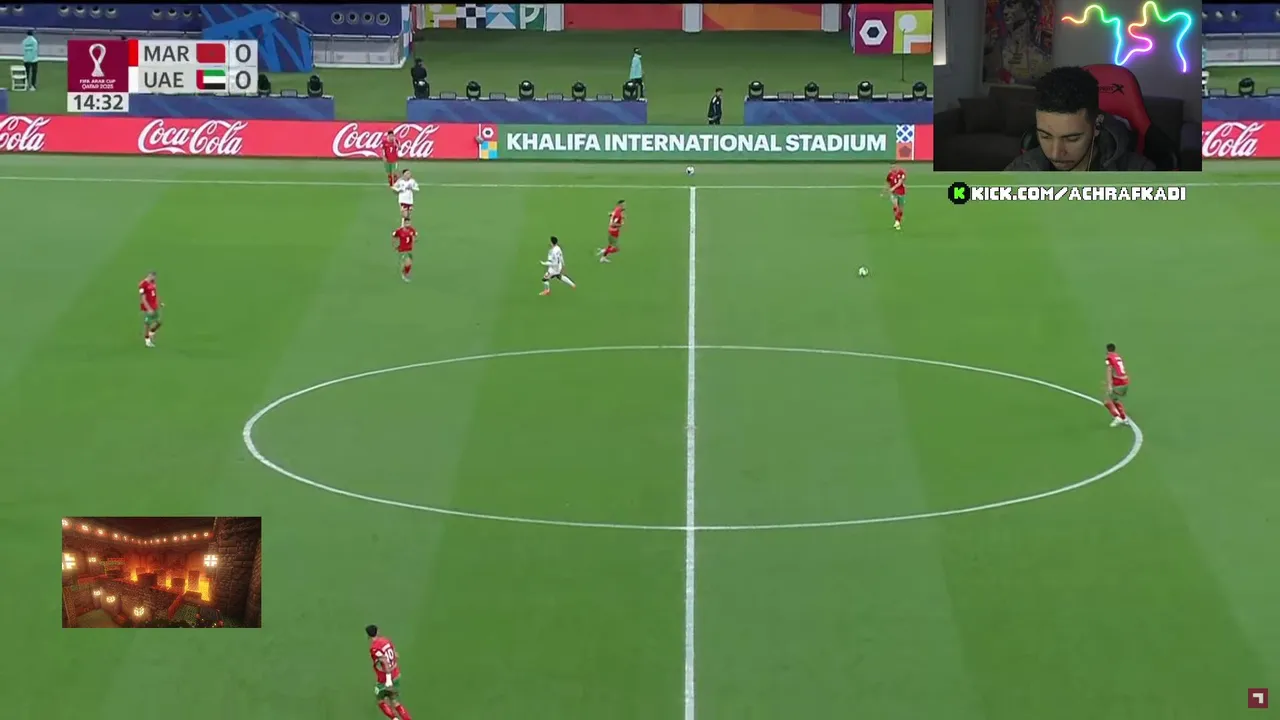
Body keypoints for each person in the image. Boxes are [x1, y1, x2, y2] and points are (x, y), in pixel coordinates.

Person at [1004, 66, 1156, 172]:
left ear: (1097, 125)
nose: (1055, 154)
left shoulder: (1139, 175)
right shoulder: (1020, 171)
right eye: (1045, 136)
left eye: (1072, 139)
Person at [367, 625, 412, 720]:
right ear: (378, 631)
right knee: (395, 702)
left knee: (380, 701)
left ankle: (394, 719)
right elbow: (396, 655)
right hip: (396, 675)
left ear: (368, 635)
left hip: (384, 680)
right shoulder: (386, 640)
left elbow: (384, 661)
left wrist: (388, 679)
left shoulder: (374, 648)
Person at [1103, 343, 1131, 427]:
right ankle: (1123, 418)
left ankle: (1118, 418)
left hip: (1119, 383)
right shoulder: (1118, 357)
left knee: (1107, 401)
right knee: (1114, 400)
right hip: (1125, 381)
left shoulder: (1109, 358)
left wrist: (1109, 385)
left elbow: (1109, 370)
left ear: (1107, 350)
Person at [138, 271, 162, 348]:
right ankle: (147, 340)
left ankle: (151, 332)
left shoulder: (153, 282)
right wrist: (148, 309)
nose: (155, 279)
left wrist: (160, 302)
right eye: (153, 277)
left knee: (159, 322)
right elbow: (143, 298)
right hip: (147, 307)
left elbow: (155, 294)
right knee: (147, 324)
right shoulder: (142, 284)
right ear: (150, 276)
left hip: (154, 305)